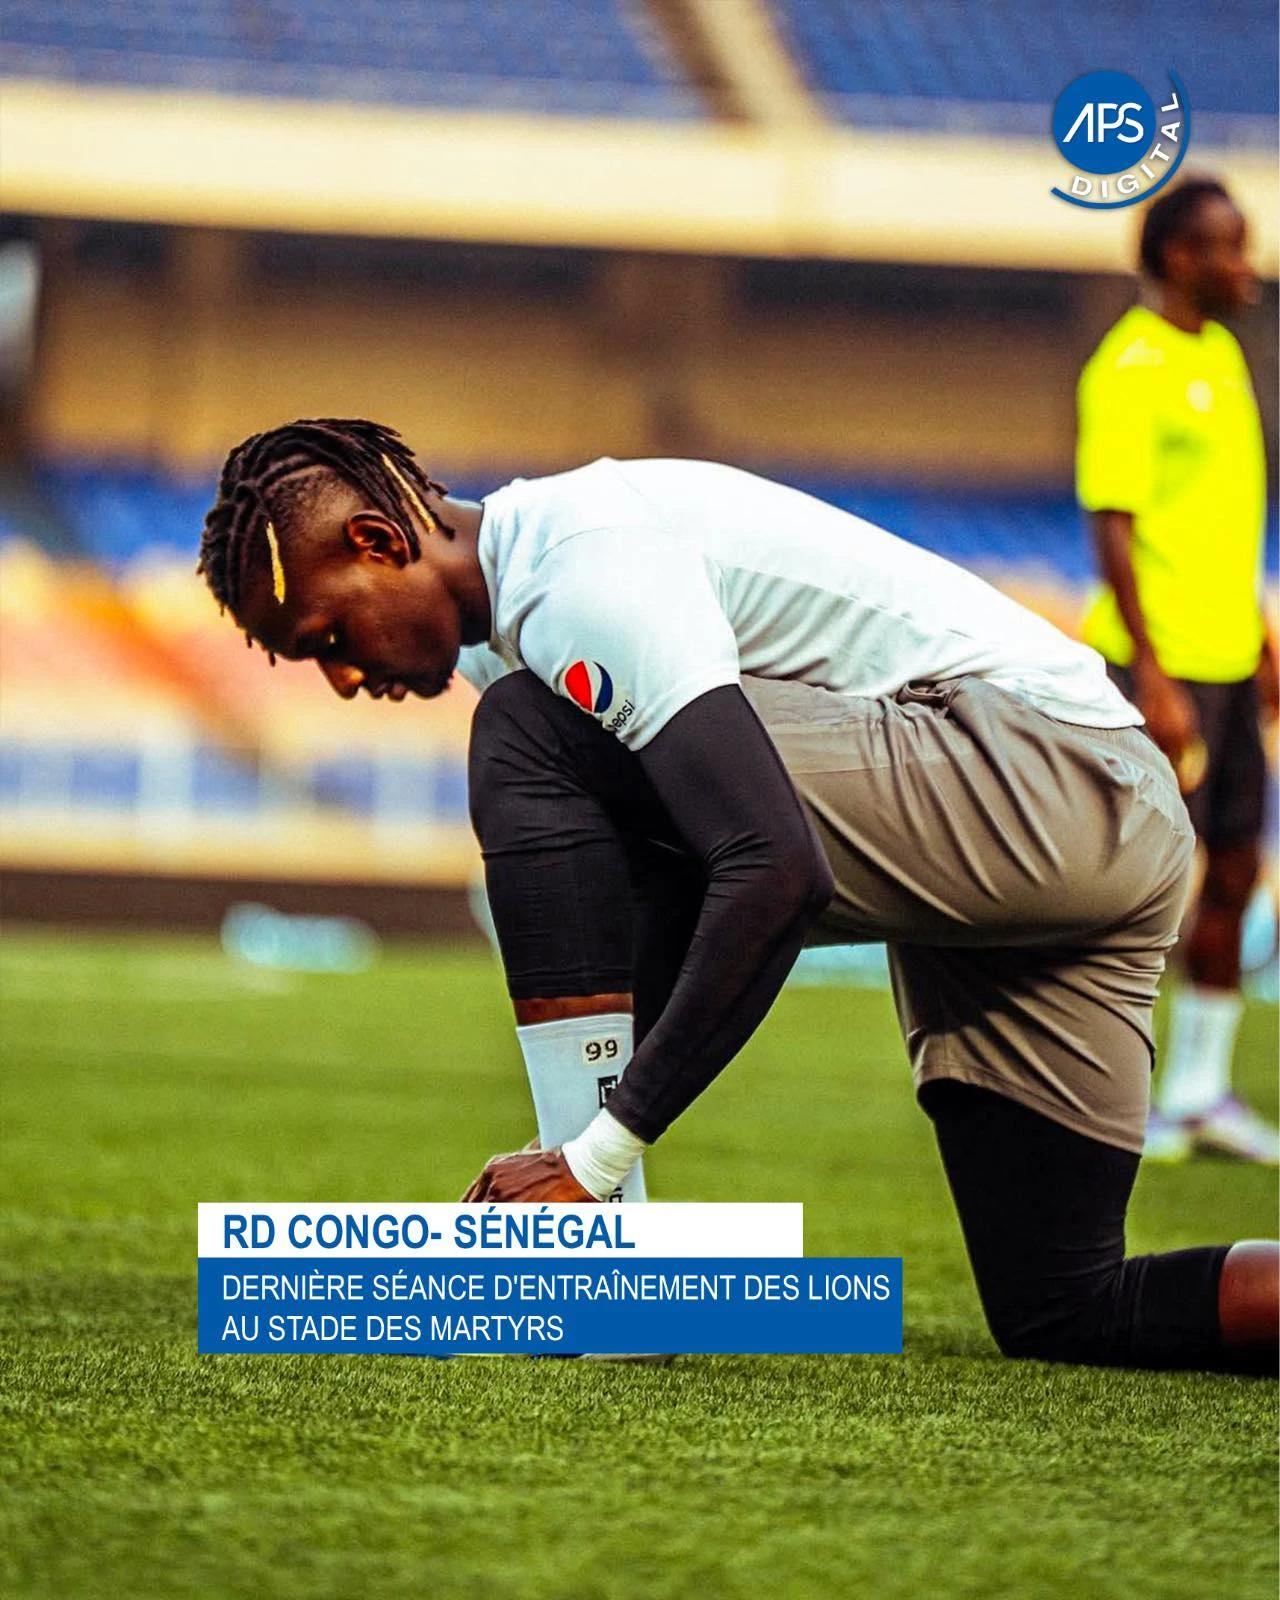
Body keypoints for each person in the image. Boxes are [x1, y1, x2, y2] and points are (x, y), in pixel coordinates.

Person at [198, 419, 1278, 1372]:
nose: (342, 678)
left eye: (329, 639)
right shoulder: (533, 617)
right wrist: (582, 1155)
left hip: (1048, 776)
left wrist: (595, 1157)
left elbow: (772, 870)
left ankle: (599, 1268)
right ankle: (600, 1252)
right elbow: (668, 887)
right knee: (1064, 1304)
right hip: (1071, 837)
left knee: (527, 731)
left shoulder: (584, 574)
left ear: (380, 544)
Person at [1078, 176, 1278, 1164]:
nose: (1245, 264)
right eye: (1225, 247)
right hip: (1150, 664)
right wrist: (1150, 674)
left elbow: (1217, 520)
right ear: (1174, 257)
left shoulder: (1226, 355)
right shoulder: (1129, 363)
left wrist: (1259, 634)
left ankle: (1199, 1093)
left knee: (1236, 867)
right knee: (1136, 887)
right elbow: (1110, 523)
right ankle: (1111, 1099)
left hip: (1228, 659)